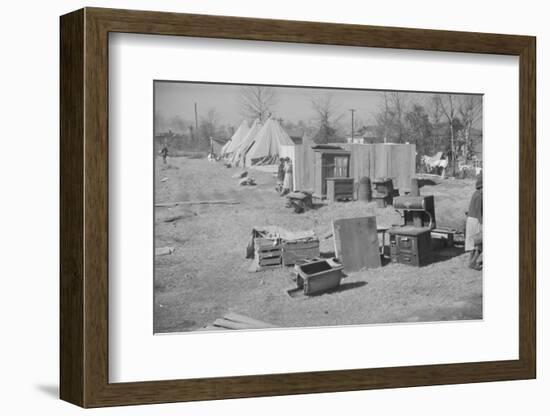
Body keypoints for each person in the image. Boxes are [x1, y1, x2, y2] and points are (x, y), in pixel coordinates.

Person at [465, 174, 483, 270]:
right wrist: (482, 224)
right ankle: (472, 262)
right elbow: (479, 212)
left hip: (471, 220)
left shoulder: (475, 194)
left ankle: (471, 261)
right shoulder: (479, 196)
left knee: (473, 244)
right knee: (480, 243)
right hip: (475, 221)